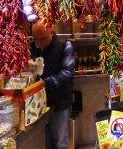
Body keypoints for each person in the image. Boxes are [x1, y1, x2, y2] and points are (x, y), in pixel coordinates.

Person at [31, 19, 75, 149]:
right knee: (44, 142)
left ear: (51, 31)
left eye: (43, 39)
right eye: (36, 39)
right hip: (39, 105)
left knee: (60, 142)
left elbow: (68, 72)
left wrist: (45, 83)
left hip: (59, 103)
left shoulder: (64, 45)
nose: (39, 43)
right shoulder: (33, 47)